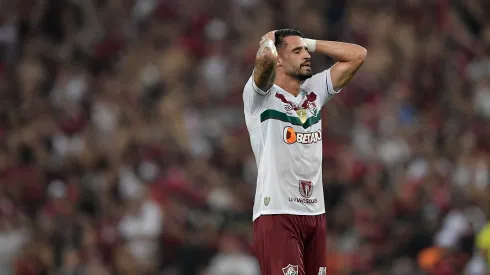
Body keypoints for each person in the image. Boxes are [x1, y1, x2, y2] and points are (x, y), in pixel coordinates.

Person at [243, 29, 366, 275]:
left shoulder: (313, 91)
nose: (306, 55)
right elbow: (265, 61)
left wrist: (309, 42)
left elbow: (358, 55)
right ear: (279, 58)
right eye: (297, 51)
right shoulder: (260, 97)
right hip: (277, 212)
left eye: (305, 50)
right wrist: (268, 41)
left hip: (315, 212)